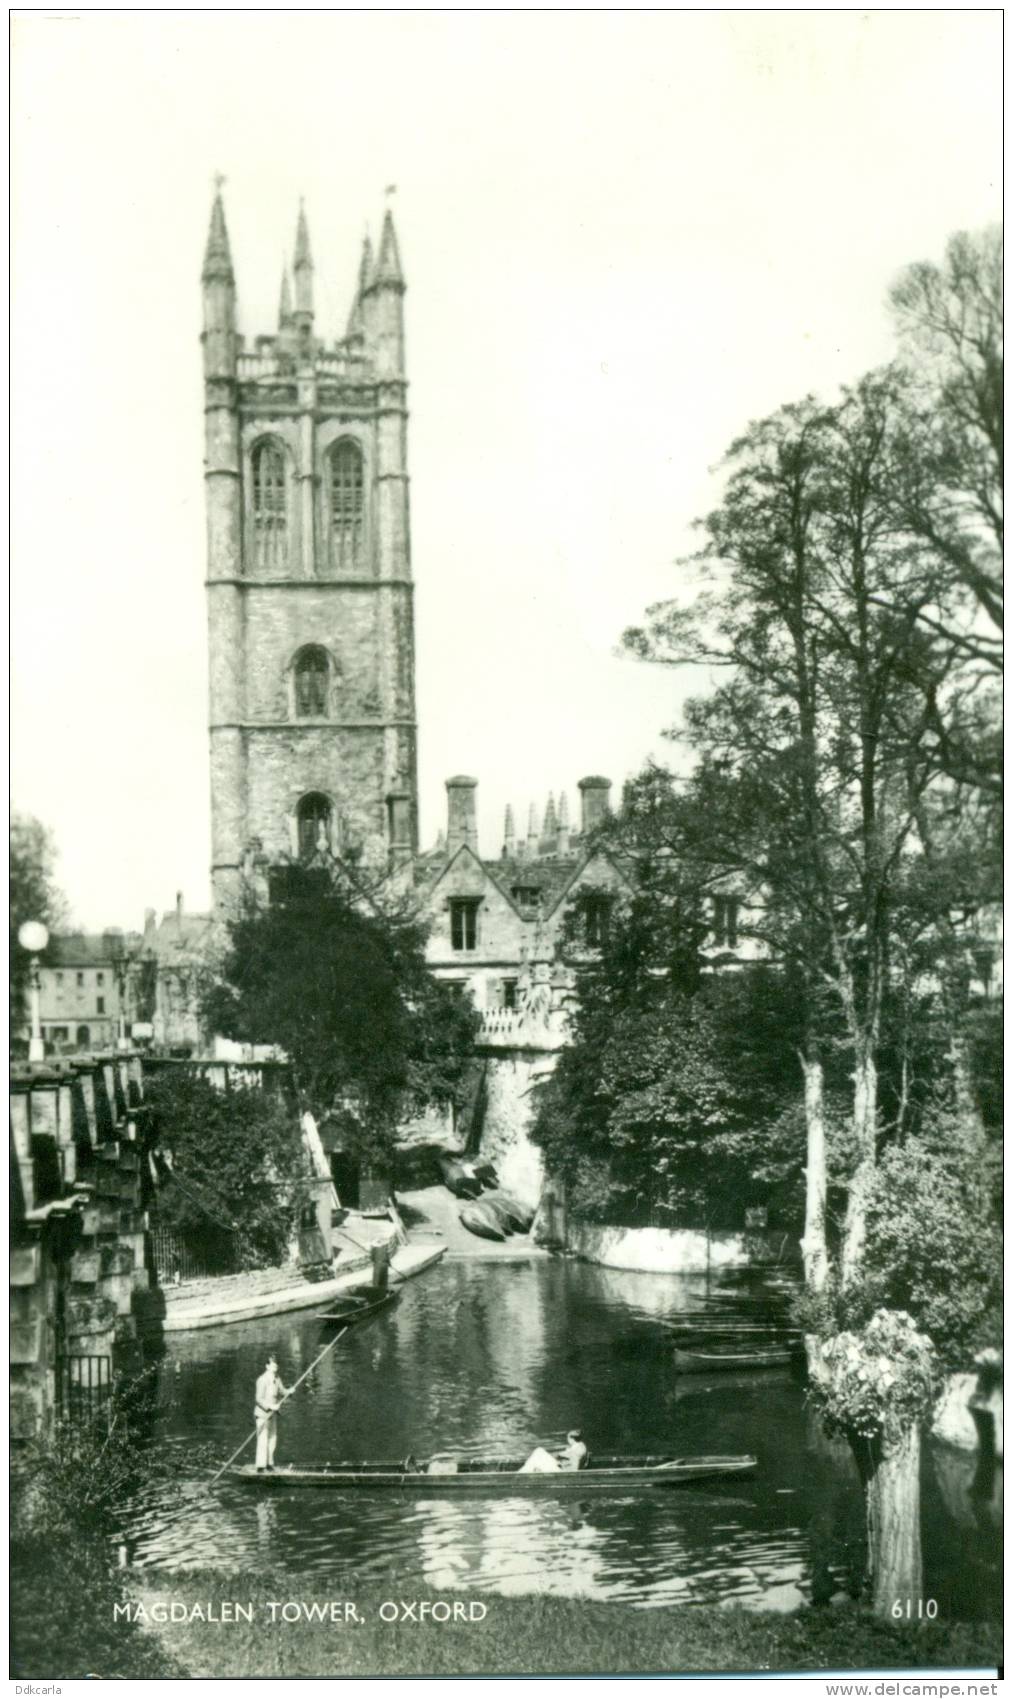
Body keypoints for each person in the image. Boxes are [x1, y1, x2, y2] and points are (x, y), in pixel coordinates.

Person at [254, 1356, 290, 1472]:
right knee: (263, 1439)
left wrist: (289, 1391)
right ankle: (260, 1466)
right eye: (273, 1365)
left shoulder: (277, 1378)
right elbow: (258, 1399)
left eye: (276, 1365)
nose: (276, 1367)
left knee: (272, 1438)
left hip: (273, 1414)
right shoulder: (262, 1380)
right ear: (267, 1366)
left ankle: (269, 1463)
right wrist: (271, 1406)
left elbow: (282, 1391)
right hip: (263, 1414)